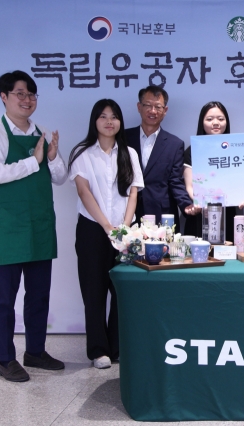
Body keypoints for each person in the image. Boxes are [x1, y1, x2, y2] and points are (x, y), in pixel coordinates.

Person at [0, 70, 66, 382]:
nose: (27, 100)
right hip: (9, 226)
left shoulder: (40, 131)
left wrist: (51, 157)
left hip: (40, 224)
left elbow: (60, 177)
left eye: (31, 94)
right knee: (4, 297)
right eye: (20, 94)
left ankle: (35, 351)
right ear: (4, 96)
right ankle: (4, 359)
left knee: (39, 294)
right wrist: (34, 160)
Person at [68, 99, 144, 369]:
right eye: (103, 116)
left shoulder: (129, 153)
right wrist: (107, 226)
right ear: (94, 121)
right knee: (94, 290)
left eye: (114, 117)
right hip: (92, 230)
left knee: (122, 289)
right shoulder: (82, 153)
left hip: (125, 231)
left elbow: (133, 192)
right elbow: (83, 192)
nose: (109, 121)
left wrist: (123, 228)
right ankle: (98, 350)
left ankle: (117, 347)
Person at [125, 85, 197, 230]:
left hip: (162, 215)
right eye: (148, 105)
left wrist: (186, 204)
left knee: (163, 253)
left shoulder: (174, 144)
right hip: (127, 212)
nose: (153, 111)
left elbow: (175, 181)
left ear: (165, 111)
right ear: (139, 107)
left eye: (158, 107)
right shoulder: (123, 138)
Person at [183, 101, 235, 238]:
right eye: (210, 119)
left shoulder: (236, 149)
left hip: (227, 213)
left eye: (221, 119)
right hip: (201, 213)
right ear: (202, 122)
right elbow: (189, 186)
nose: (216, 123)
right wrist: (202, 202)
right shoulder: (192, 150)